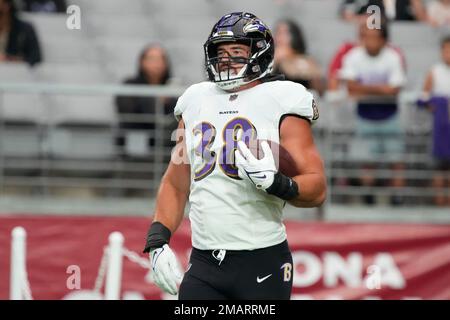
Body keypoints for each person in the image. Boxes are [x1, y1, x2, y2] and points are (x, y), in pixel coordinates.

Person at [142, 12, 326, 300]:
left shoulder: (282, 98)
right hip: (204, 263)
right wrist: (157, 240)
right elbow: (176, 184)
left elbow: (316, 188)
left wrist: (278, 183)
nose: (226, 59)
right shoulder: (195, 100)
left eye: (237, 51)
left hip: (262, 260)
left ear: (259, 54)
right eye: (221, 52)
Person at [339, 20, 407, 205]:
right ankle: (368, 198)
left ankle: (397, 199)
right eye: (366, 37)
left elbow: (394, 89)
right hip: (364, 118)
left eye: (374, 37)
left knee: (396, 160)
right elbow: (351, 88)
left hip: (390, 117)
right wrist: (381, 89)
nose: (370, 41)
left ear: (384, 40)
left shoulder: (392, 56)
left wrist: (365, 88)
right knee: (366, 161)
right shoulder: (353, 56)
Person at [115, 44, 177, 158]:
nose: (157, 63)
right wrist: (156, 101)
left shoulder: (172, 88)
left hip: (164, 146)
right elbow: (126, 112)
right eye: (152, 59)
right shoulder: (130, 85)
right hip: (136, 144)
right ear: (141, 62)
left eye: (161, 59)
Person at [421, 35, 450, 206]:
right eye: (446, 50)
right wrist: (436, 105)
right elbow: (424, 96)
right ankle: (440, 204)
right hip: (440, 129)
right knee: (439, 170)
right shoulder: (435, 71)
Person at [273, 19, 324, 95]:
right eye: (278, 32)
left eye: (284, 33)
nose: (279, 37)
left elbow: (320, 90)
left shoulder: (307, 60)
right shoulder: (270, 59)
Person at [0, 0, 42, 66]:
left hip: (15, 73)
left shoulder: (24, 30)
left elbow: (35, 57)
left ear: (7, 5)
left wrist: (10, 59)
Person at [340, 0, 427, 22]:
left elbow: (424, 22)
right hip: (372, 43)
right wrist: (365, 19)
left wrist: (417, 3)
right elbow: (347, 13)